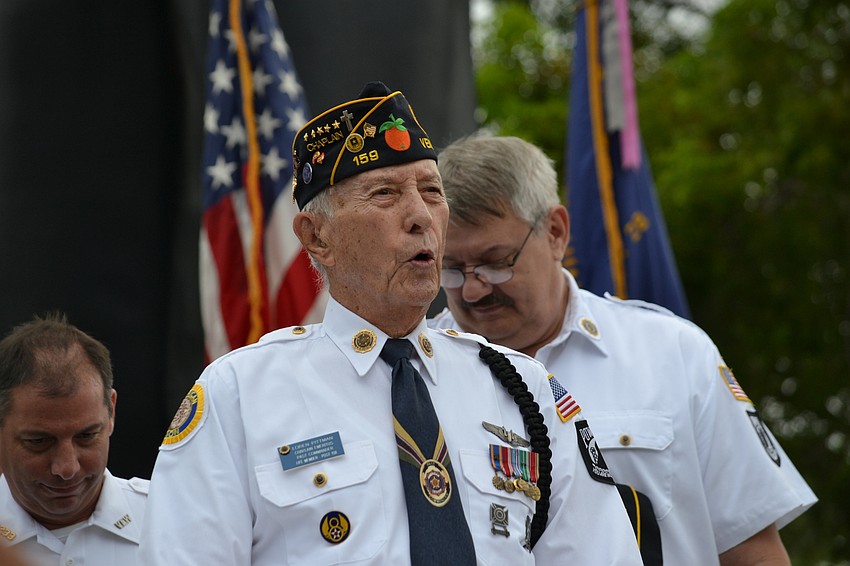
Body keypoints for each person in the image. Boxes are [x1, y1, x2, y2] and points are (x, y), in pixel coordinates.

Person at [139, 82, 643, 565]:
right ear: (316, 238)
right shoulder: (239, 398)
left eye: (431, 191)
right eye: (384, 193)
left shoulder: (526, 392)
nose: (421, 215)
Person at [432, 134, 818, 565]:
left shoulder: (673, 354)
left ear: (556, 232)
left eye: (495, 262)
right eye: (449, 268)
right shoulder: (414, 373)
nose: (472, 287)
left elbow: (752, 550)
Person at [0, 313, 149, 566]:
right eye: (39, 441)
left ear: (111, 410)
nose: (67, 468)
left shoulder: (177, 519)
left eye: (87, 436)